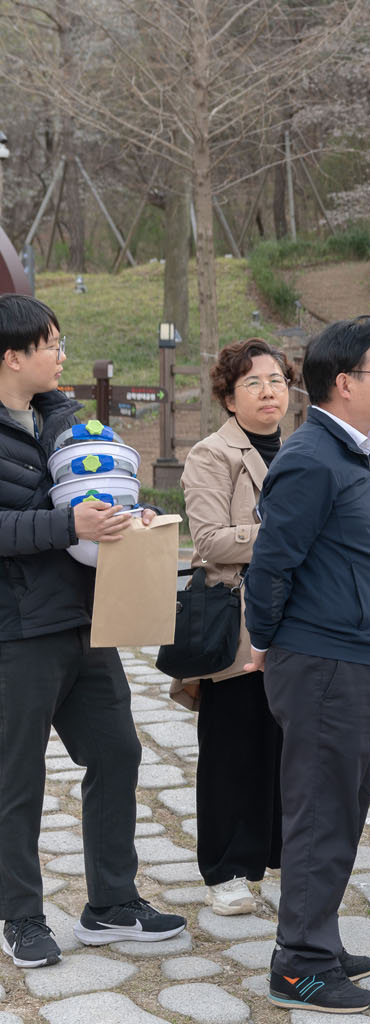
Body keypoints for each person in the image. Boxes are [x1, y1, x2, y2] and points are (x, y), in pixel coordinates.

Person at [0, 293, 186, 968]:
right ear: (12, 356)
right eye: (51, 344)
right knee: (16, 778)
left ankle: (110, 903)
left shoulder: (64, 421)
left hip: (86, 617)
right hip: (16, 632)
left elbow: (96, 495)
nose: (62, 355)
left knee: (117, 753)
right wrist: (67, 525)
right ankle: (21, 917)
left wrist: (132, 518)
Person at [245, 315, 370, 1013]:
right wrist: (267, 639)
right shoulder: (312, 459)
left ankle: (318, 936)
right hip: (324, 662)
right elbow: (271, 564)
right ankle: (299, 966)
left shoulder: (347, 454)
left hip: (356, 657)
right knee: (319, 810)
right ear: (344, 383)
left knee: (342, 806)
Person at [175, 339, 297, 915]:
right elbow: (210, 541)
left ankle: (275, 855)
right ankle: (225, 868)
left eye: (277, 381)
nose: (269, 392)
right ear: (228, 397)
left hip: (296, 617)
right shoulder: (211, 454)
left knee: (283, 743)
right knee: (230, 745)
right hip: (237, 618)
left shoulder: (300, 449)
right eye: (253, 383)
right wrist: (284, 535)